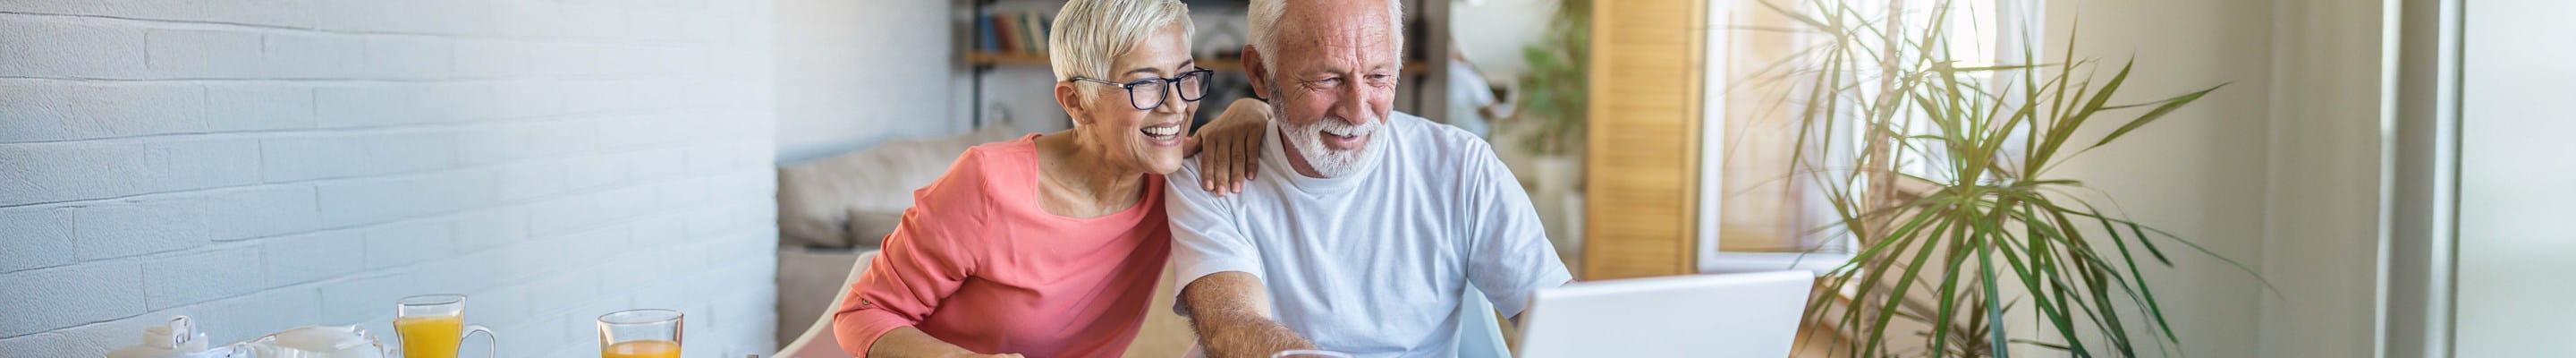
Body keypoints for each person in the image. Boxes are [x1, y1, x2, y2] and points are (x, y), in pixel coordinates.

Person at [828, 0, 1263, 356]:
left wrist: (1252, 110)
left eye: (1185, 76)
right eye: (1145, 84)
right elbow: (862, 313)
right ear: (1076, 102)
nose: (1177, 105)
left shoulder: (1179, 177)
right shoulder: (988, 184)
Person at [1162, 0, 1573, 357]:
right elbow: (1232, 329)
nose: (1358, 112)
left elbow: (1560, 323)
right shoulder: (1211, 174)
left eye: (1378, 76)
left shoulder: (1463, 167)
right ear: (1260, 72)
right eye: (1327, 79)